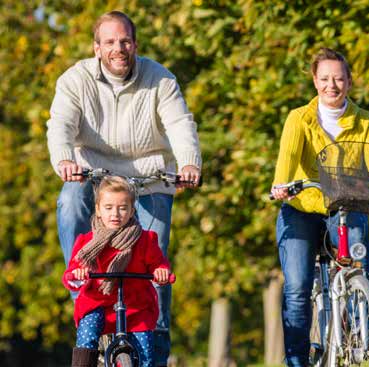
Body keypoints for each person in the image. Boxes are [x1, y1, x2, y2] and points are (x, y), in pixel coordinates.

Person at [46, 11, 201, 366]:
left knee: (155, 255)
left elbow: (180, 123)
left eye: (125, 41)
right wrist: (65, 161)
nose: (119, 49)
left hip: (149, 177)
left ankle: (155, 345)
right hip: (93, 175)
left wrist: (190, 162)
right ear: (97, 48)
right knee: (70, 202)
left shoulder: (159, 79)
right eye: (111, 42)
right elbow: (60, 127)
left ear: (135, 44)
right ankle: (83, 293)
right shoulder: (75, 80)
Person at [270, 47, 369, 367]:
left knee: (359, 267)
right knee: (297, 289)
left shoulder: (365, 122)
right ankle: (296, 361)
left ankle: (357, 340)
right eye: (325, 79)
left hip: (346, 205)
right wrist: (282, 185)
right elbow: (288, 159)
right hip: (302, 206)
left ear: (349, 81)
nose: (332, 85)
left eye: (339, 78)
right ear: (314, 81)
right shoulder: (299, 119)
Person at [63, 176, 171, 367]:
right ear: (98, 209)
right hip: (97, 303)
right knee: (87, 334)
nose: (116, 214)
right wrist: (78, 274)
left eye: (122, 208)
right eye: (108, 207)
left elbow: (158, 263)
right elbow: (71, 274)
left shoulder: (145, 239)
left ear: (132, 211)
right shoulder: (87, 242)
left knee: (145, 352)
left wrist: (161, 272)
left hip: (136, 306)